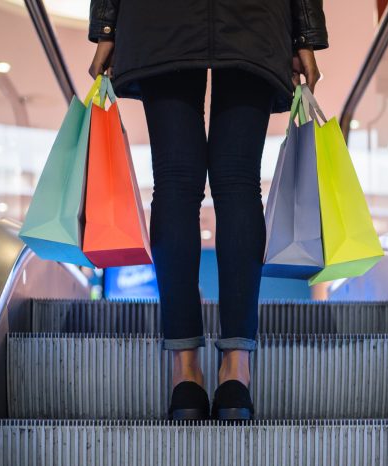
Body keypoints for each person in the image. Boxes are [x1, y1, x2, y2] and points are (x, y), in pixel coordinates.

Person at [87, 0, 329, 420]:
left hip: (160, 20)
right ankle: (236, 374)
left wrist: (107, 26)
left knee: (175, 184)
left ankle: (185, 376)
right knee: (238, 183)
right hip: (254, 18)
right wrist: (305, 34)